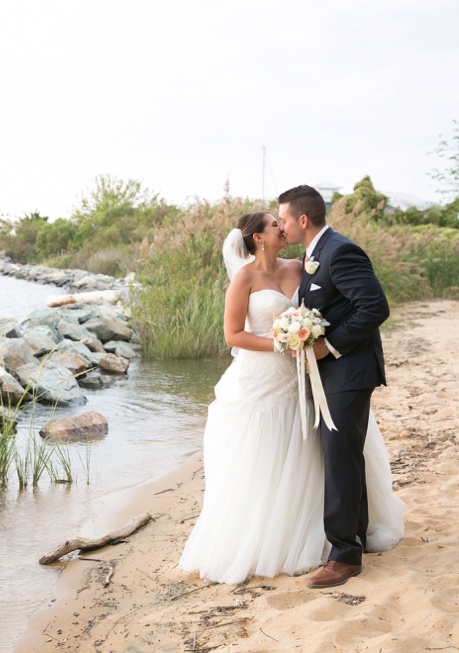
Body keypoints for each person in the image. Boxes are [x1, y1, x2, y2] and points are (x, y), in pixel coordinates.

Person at [178, 203, 403, 587]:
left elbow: (327, 305)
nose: (281, 228)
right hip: (266, 374)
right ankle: (270, 537)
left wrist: (314, 340)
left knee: (314, 452)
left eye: (282, 221)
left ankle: (334, 537)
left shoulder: (301, 267)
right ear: (257, 237)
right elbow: (233, 335)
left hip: (307, 373)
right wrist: (283, 344)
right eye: (273, 224)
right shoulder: (244, 279)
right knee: (266, 453)